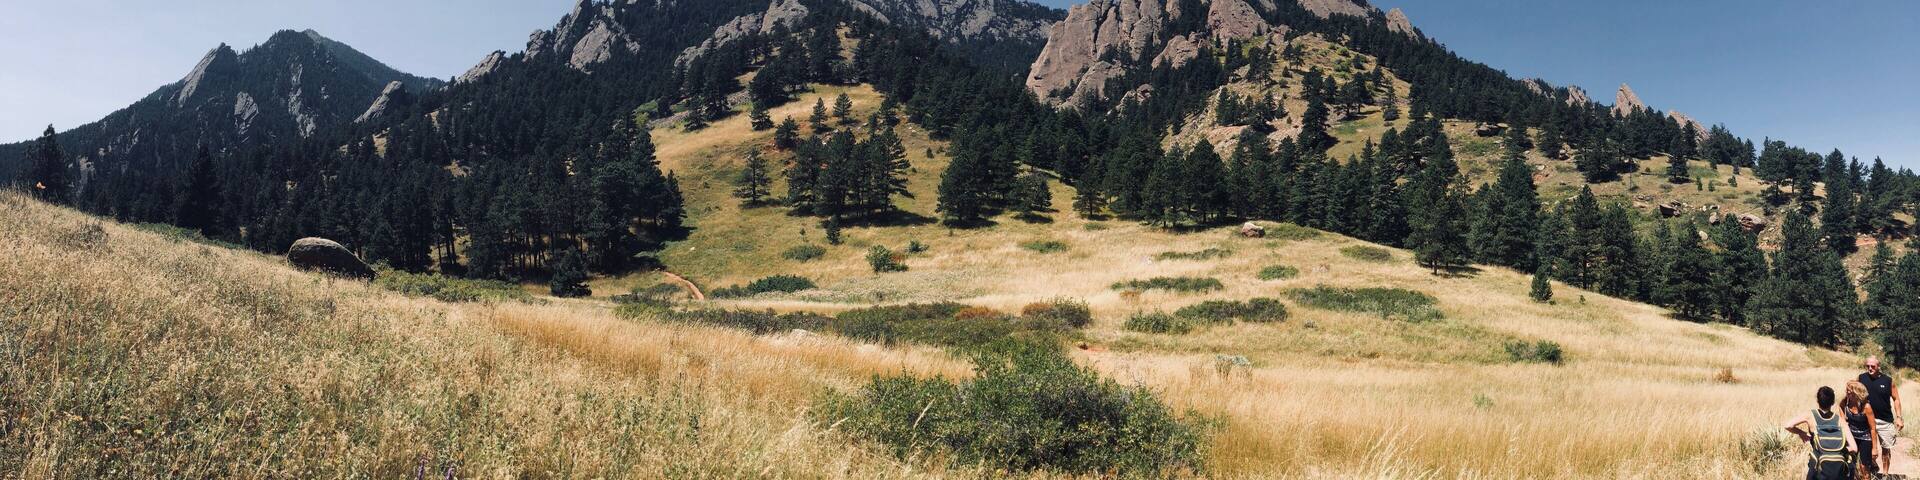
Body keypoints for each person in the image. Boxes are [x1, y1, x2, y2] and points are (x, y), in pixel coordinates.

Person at [1786, 386, 1857, 480]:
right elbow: (1854, 448)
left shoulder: (1810, 415)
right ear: (1832, 402)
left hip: (1818, 467)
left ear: (1818, 400)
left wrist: (1801, 433)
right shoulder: (1840, 420)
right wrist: (1838, 450)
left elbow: (1788, 425)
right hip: (1838, 469)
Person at [1861, 356, 1904, 473]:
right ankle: (1870, 470)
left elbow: (1896, 399)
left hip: (1885, 421)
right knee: (1866, 449)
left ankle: (1885, 474)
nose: (1870, 368)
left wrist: (1899, 417)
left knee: (1886, 450)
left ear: (1879, 366)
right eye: (1868, 366)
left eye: (1873, 366)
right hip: (1866, 421)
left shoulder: (1888, 380)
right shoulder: (1861, 378)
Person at [1842, 381, 1881, 478]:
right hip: (1851, 437)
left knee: (1863, 467)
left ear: (1856, 392)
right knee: (1850, 464)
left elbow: (1873, 428)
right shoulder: (1845, 402)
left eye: (1849, 391)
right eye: (1847, 390)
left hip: (1865, 438)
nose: (1847, 392)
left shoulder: (1866, 407)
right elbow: (1841, 411)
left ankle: (1870, 467)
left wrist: (1874, 448)